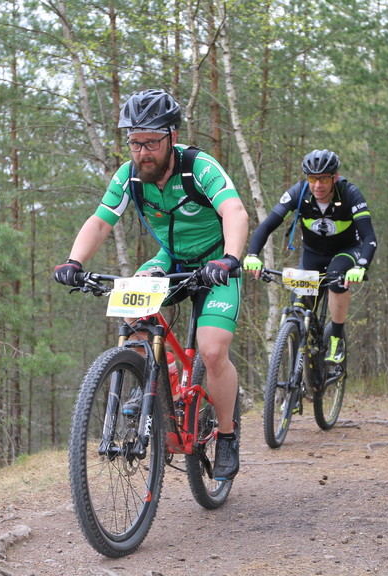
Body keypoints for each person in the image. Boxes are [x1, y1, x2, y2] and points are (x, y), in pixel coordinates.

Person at [53, 89, 249, 480]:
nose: (142, 152)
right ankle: (152, 378)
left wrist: (229, 258)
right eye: (134, 141)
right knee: (131, 302)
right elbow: (100, 221)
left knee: (211, 351)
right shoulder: (128, 176)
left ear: (172, 138)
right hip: (170, 260)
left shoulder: (199, 168)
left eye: (151, 142)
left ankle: (226, 435)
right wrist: (74, 262)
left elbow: (234, 210)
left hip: (214, 262)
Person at [242, 149, 377, 365]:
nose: (317, 185)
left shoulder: (350, 193)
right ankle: (297, 374)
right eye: (312, 178)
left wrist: (360, 266)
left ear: (335, 177)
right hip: (313, 255)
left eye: (323, 179)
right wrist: (252, 254)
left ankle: (336, 337)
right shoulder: (299, 192)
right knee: (299, 310)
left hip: (346, 251)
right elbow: (267, 226)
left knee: (336, 276)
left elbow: (369, 237)